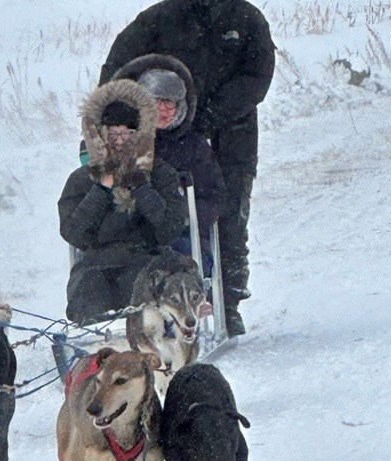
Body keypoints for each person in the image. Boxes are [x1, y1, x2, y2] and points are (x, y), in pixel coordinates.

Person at [99, 0, 276, 336]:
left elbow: (256, 77)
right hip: (169, 139)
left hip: (231, 139)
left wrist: (208, 114)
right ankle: (158, 300)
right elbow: (118, 67)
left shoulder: (246, 18)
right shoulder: (159, 18)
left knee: (228, 218)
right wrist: (115, 117)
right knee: (165, 217)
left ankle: (228, 301)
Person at [59, 79, 187, 326]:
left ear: (140, 134)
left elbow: (170, 229)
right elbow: (73, 232)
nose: (120, 141)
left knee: (142, 289)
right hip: (96, 265)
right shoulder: (80, 180)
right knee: (89, 294)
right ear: (101, 134)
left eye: (128, 133)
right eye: (114, 133)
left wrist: (142, 187)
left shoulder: (161, 173)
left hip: (148, 257)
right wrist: (101, 189)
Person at [111, 53, 226, 278]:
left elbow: (214, 194)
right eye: (156, 101)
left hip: (183, 237)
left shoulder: (194, 144)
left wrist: (180, 217)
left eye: (169, 102)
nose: (163, 110)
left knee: (179, 268)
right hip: (136, 238)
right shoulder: (125, 140)